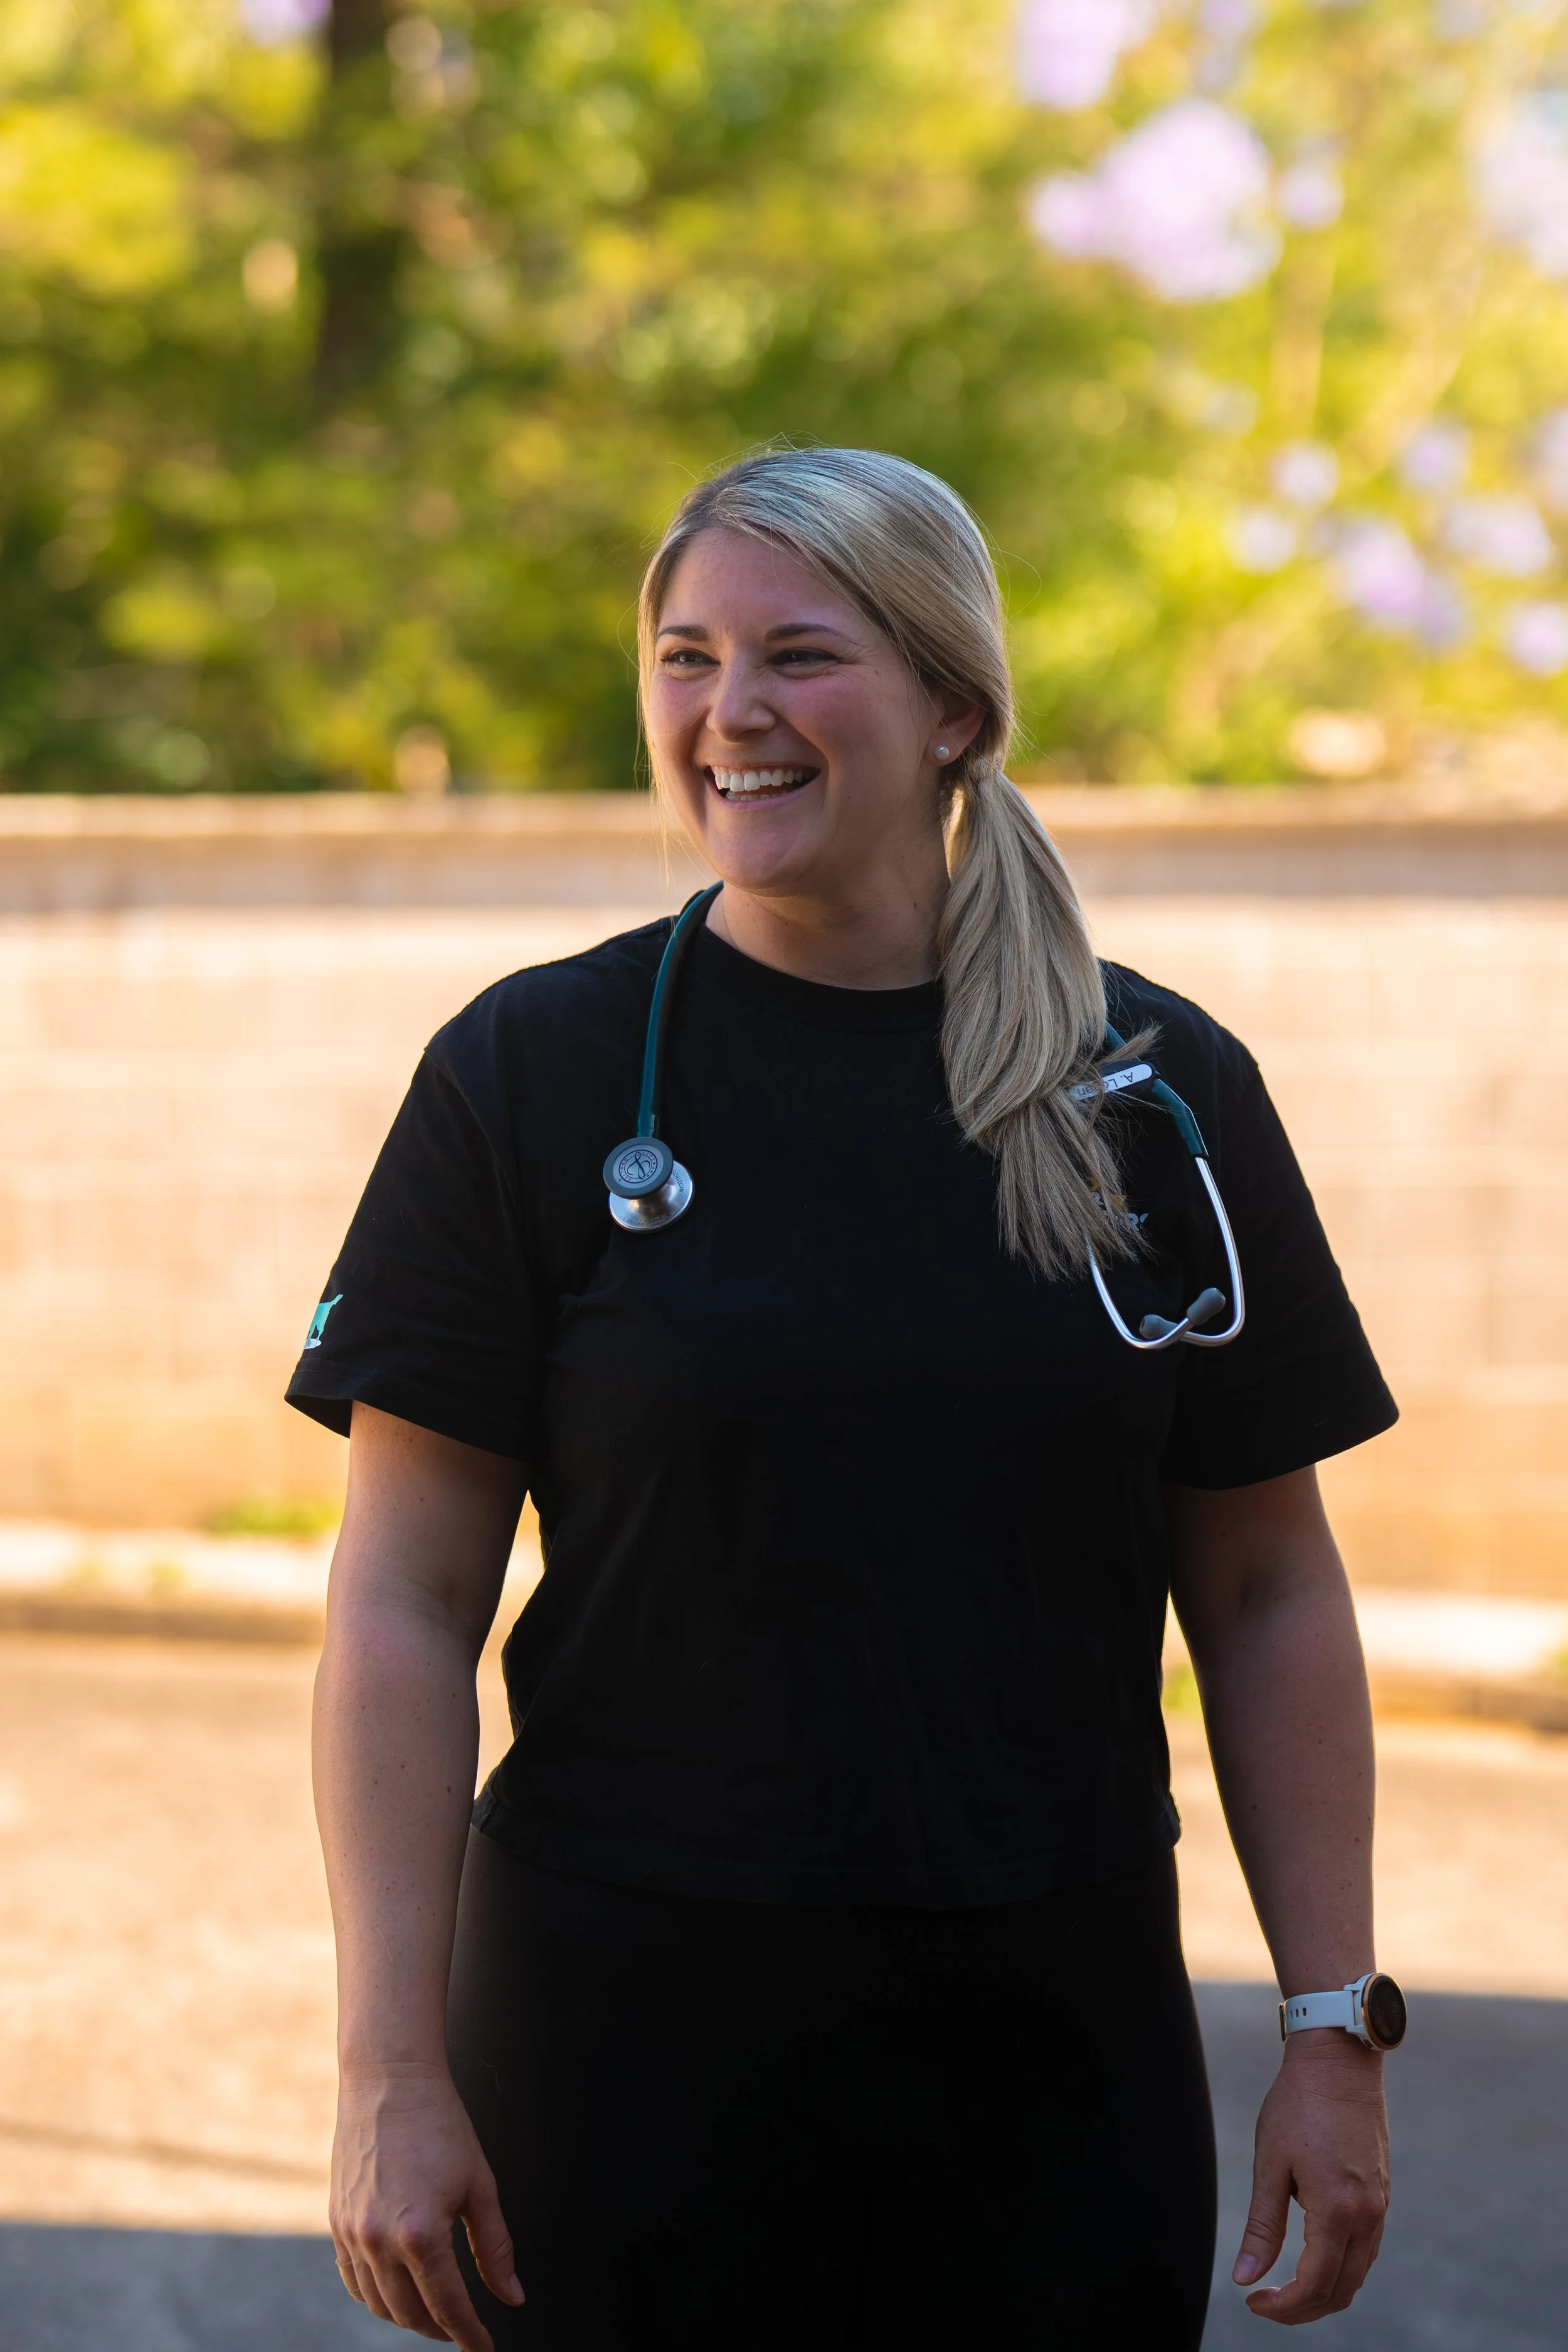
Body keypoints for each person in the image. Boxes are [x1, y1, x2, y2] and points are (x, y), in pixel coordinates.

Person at [291, 446, 1400, 2352]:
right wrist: (389, 2067)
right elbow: (402, 1598)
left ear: (953, 703)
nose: (729, 711)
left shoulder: (1151, 1094)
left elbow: (1265, 1587)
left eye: (798, 655)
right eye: (686, 656)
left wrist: (1332, 2026)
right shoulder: (531, 1076)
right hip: (618, 2044)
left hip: (1049, 2056)